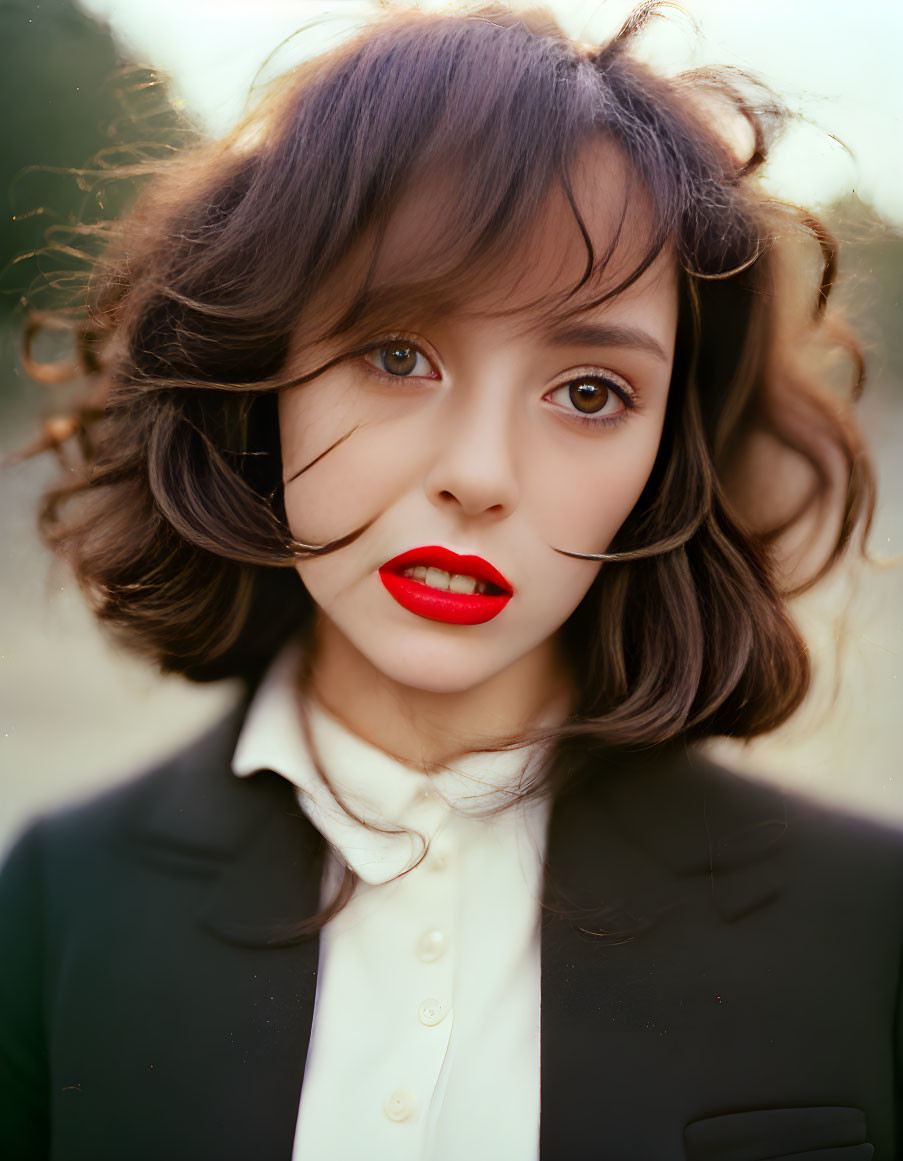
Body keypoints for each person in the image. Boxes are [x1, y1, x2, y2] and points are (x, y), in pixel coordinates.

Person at [1, 3, 899, 1158]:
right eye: (395, 354)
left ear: (670, 459)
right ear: (258, 372)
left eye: (589, 393)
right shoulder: (58, 908)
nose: (479, 477)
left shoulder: (869, 924)